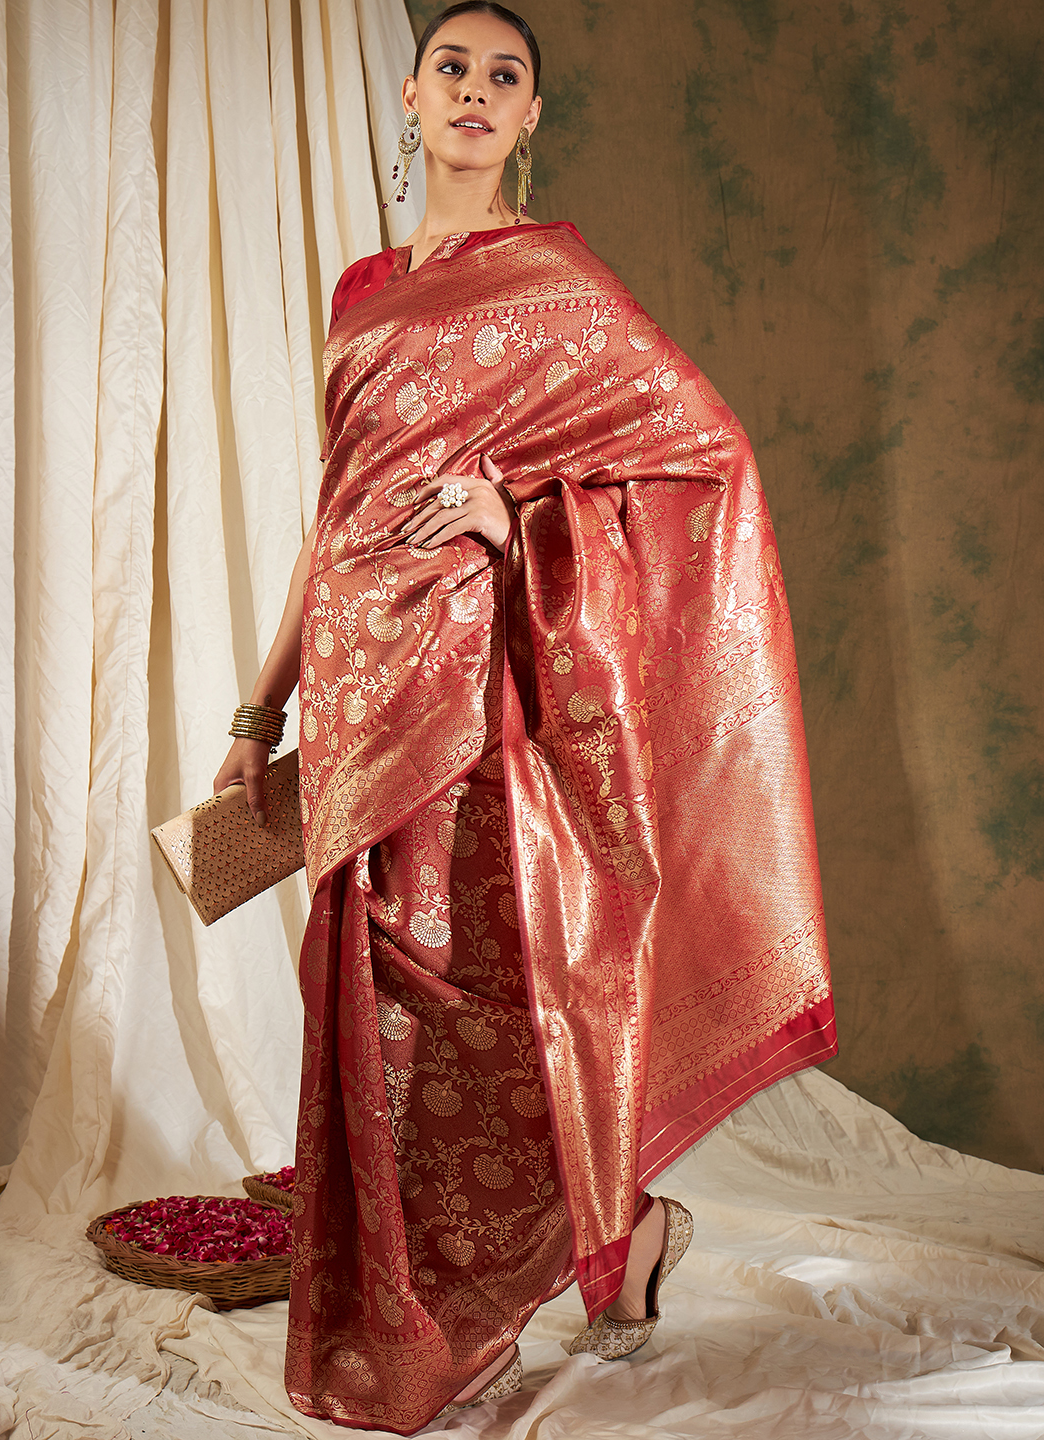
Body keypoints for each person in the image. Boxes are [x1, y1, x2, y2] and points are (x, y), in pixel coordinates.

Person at [214, 3, 837, 1432]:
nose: (477, 92)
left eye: (506, 77)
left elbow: (705, 457)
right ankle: (422, 1310)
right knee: (370, 1018)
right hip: (358, 711)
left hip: (477, 705)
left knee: (492, 1005)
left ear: (532, 115)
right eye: (454, 68)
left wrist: (522, 517)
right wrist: (260, 710)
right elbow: (335, 522)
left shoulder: (556, 284)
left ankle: (617, 1237)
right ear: (410, 95)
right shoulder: (363, 291)